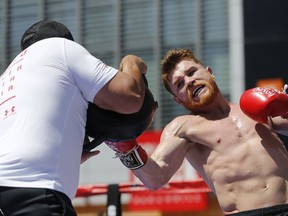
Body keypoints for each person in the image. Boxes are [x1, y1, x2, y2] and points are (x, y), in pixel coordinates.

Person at [105, 48, 288, 216]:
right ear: (178, 99)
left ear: (209, 72)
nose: (190, 81)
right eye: (180, 84)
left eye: (192, 72)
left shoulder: (253, 108)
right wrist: (125, 148)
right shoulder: (184, 127)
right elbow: (156, 178)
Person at [0, 19, 148, 216]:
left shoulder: (7, 77)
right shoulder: (60, 48)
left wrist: (69, 153)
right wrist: (132, 62)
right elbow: (130, 98)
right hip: (34, 189)